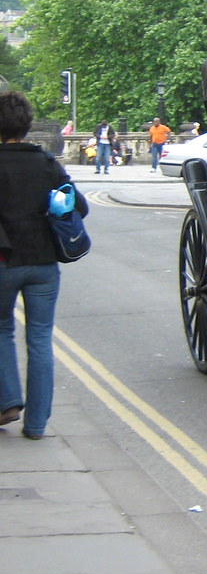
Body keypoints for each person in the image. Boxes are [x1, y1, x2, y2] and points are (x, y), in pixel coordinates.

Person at [0, 91, 88, 440]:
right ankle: (36, 425)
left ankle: (7, 401)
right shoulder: (47, 163)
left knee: (2, 330)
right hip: (43, 264)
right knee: (39, 338)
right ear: (27, 125)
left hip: (4, 261)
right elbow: (78, 206)